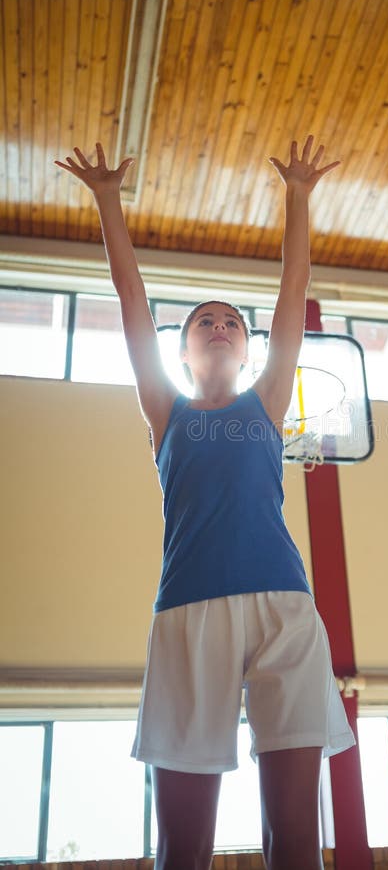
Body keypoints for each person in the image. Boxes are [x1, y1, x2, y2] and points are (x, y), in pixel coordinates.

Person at [55, 136, 356, 870]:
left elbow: (294, 286)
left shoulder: (268, 400)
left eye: (231, 322)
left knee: (295, 843)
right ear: (182, 350)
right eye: (203, 322)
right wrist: (106, 200)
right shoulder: (165, 411)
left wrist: (298, 194)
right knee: (182, 850)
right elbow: (131, 298)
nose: (219, 325)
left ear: (247, 350)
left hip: (286, 608)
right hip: (189, 611)